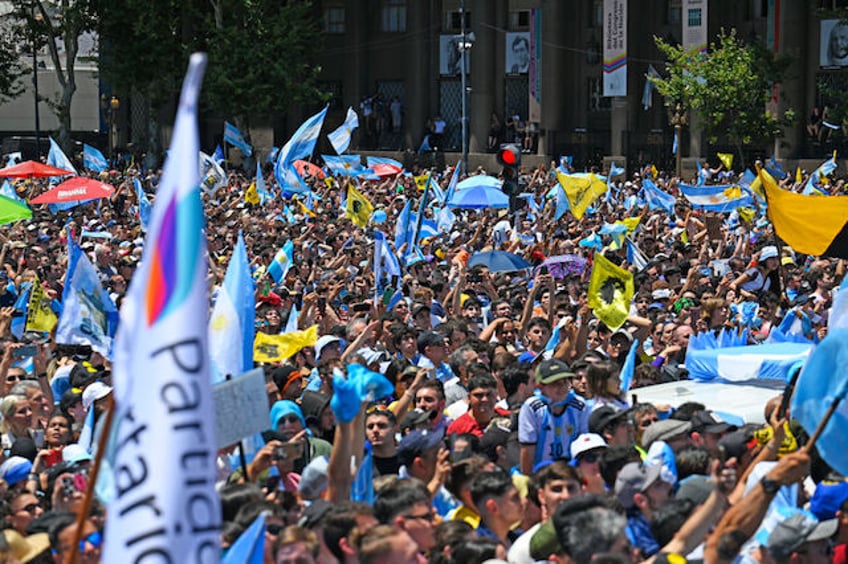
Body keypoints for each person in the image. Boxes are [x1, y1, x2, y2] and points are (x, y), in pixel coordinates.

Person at [518, 359, 588, 474]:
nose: (562, 387)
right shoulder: (532, 407)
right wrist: (529, 478)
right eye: (555, 383)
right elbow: (527, 448)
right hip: (540, 471)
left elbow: (583, 441)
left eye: (565, 382)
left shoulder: (579, 405)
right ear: (540, 386)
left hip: (571, 470)